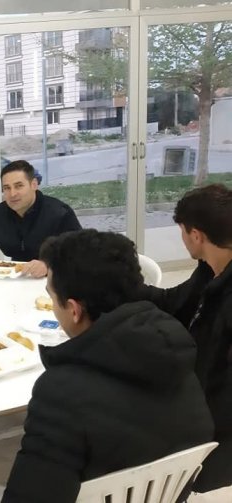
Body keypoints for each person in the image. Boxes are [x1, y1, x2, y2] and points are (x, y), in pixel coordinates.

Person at [2, 229, 213, 502]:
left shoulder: (60, 392)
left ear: (74, 309)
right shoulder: (178, 350)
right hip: (167, 494)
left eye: (52, 298)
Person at [139, 184, 232, 495]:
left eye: (181, 231)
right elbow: (174, 303)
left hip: (210, 429)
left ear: (196, 235)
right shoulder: (210, 270)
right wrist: (120, 285)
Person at [0, 160, 80, 278]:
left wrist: (48, 265)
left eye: (19, 186)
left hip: (55, 282)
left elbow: (80, 254)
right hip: (15, 279)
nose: (12, 194)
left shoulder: (59, 213)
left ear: (34, 184)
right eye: (7, 188)